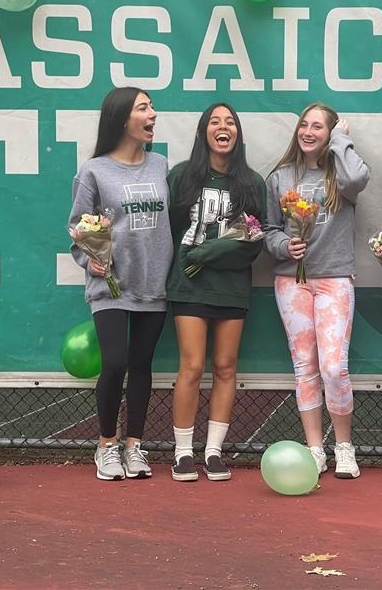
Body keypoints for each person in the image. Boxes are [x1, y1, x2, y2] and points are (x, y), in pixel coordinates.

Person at [68, 86, 172, 481]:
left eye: (151, 107)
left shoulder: (161, 164)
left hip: (153, 282)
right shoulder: (93, 170)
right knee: (115, 362)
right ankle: (107, 445)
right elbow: (78, 227)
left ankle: (134, 446)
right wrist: (89, 260)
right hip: (110, 284)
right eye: (144, 108)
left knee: (142, 365)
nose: (153, 114)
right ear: (122, 118)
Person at [265, 103, 370, 479]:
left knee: (333, 368)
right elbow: (268, 229)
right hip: (291, 281)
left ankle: (344, 447)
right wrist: (283, 247)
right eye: (304, 125)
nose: (308, 132)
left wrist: (342, 138)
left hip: (334, 279)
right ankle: (314, 450)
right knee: (305, 368)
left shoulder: (341, 174)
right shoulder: (280, 177)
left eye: (318, 127)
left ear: (330, 134)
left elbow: (358, 179)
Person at [167, 103, 266, 482]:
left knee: (225, 368)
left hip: (232, 287)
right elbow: (174, 232)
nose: (223, 127)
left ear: (237, 133)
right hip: (189, 285)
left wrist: (213, 253)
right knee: (191, 367)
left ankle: (212, 451)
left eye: (230, 122)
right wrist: (192, 258)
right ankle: (182, 453)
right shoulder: (183, 177)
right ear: (203, 132)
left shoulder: (251, 183)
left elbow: (254, 241)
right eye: (215, 122)